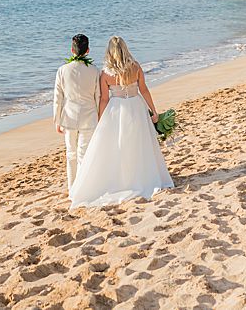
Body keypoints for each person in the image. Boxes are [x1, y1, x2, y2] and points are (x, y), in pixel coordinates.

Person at [68, 36, 174, 208]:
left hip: (116, 110)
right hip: (136, 107)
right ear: (125, 49)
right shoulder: (136, 67)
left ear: (109, 52)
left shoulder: (106, 74)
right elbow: (144, 90)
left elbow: (103, 99)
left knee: (119, 146)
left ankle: (123, 180)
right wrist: (154, 111)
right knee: (138, 144)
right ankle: (140, 177)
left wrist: (101, 120)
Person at [53, 33, 101, 191]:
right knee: (83, 154)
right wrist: (100, 117)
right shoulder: (94, 70)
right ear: (88, 51)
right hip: (89, 117)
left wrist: (57, 121)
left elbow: (58, 98)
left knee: (71, 154)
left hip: (69, 118)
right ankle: (82, 188)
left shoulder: (62, 70)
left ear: (71, 51)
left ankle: (72, 188)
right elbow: (98, 96)